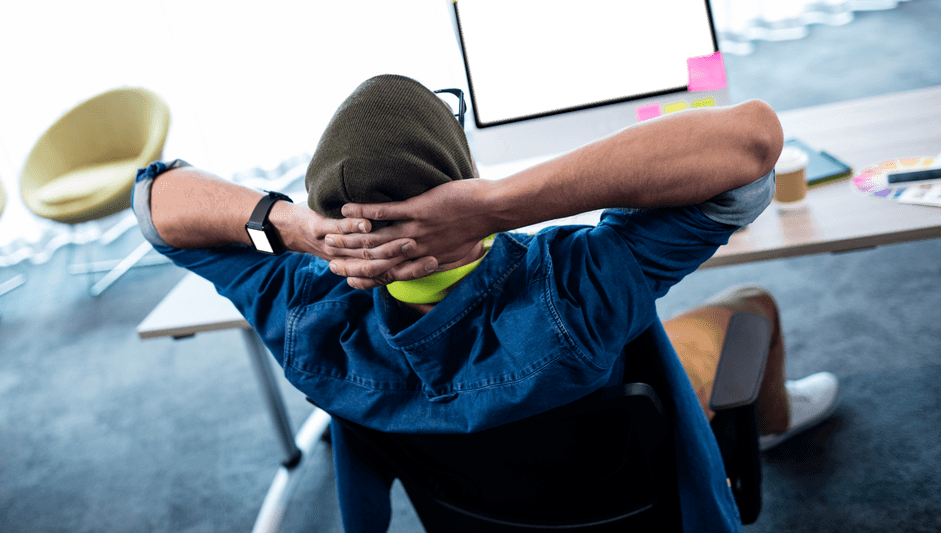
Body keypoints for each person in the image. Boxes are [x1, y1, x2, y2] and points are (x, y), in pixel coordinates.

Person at [132, 74, 839, 533]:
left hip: (483, 504)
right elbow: (751, 146)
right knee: (751, 303)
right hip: (616, 450)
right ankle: (767, 426)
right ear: (461, 180)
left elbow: (154, 200)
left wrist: (293, 228)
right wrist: (498, 205)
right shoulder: (578, 285)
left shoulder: (300, 312)